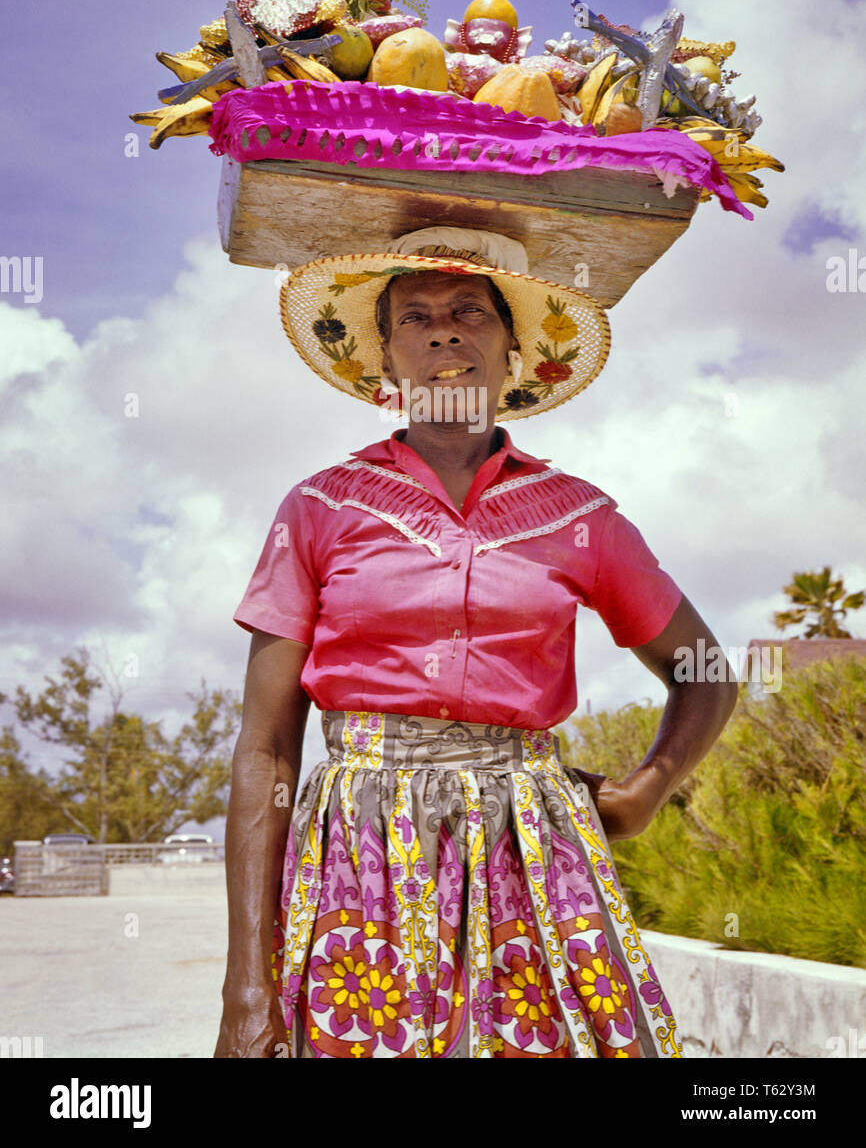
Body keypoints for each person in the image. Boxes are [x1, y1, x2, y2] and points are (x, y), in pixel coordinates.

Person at [214, 227, 738, 1059]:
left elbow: (705, 672)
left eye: (471, 312)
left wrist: (644, 793)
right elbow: (267, 749)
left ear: (513, 348)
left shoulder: (582, 516)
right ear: (386, 358)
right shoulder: (320, 508)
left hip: (530, 846)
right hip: (361, 853)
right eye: (414, 316)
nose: (444, 331)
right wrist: (246, 980)